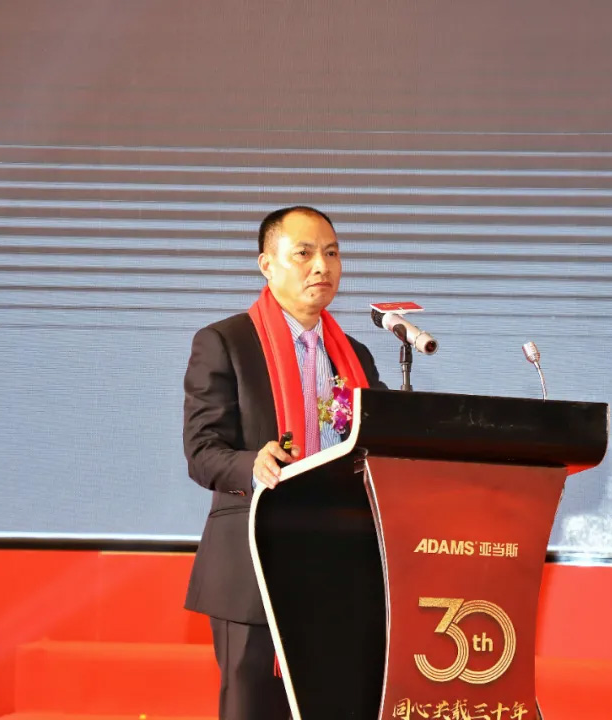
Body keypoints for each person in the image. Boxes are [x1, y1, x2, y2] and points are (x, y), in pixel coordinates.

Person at [182, 206, 385, 720]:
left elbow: (381, 443)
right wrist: (253, 464)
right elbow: (203, 451)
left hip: (339, 564)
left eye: (332, 253)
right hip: (253, 562)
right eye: (304, 253)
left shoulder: (355, 357)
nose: (322, 266)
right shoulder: (225, 343)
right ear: (266, 264)